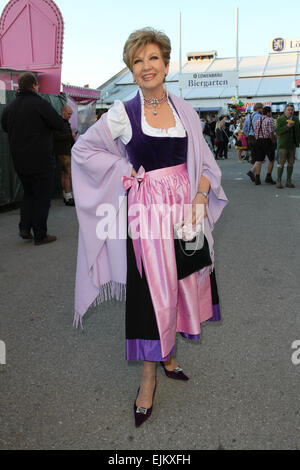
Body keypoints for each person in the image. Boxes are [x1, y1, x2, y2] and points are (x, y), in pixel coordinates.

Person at [71, 28, 228, 427]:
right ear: (131, 68)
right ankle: (147, 379)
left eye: (153, 58)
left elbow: (208, 164)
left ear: (166, 64)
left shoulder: (185, 111)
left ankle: (170, 354)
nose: (146, 67)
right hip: (147, 216)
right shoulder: (123, 113)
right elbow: (83, 149)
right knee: (150, 292)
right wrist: (125, 169)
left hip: (185, 212)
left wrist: (198, 198)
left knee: (183, 281)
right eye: (138, 61)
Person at [1, 72, 64, 245]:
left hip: (20, 161)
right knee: (42, 197)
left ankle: (24, 227)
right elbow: (58, 124)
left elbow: (5, 126)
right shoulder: (40, 104)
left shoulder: (10, 107)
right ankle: (40, 234)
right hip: (41, 160)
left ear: (20, 87)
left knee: (28, 193)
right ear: (35, 85)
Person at [53, 105, 76, 206]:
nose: (70, 115)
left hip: (64, 151)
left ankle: (66, 196)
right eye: (69, 113)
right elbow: (56, 136)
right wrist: (70, 136)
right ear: (63, 111)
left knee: (65, 174)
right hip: (64, 152)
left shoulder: (62, 122)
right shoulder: (60, 123)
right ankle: (68, 197)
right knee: (68, 175)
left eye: (71, 113)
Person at [275, 104, 300, 188]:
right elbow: (277, 131)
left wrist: (298, 142)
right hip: (283, 145)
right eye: (288, 110)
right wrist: (287, 126)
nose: (290, 112)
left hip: (292, 145)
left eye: (292, 110)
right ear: (285, 110)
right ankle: (278, 181)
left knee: (291, 163)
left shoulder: (296, 119)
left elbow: (298, 132)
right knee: (281, 163)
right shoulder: (280, 119)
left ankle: (288, 181)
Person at [249, 106, 276, 185]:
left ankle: (257, 178)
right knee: (271, 159)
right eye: (270, 112)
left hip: (258, 141)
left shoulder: (257, 120)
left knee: (259, 160)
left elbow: (255, 131)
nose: (271, 113)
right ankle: (268, 177)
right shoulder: (269, 120)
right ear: (268, 112)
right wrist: (273, 141)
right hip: (266, 141)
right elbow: (271, 132)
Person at [243, 103, 264, 180]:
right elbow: (262, 128)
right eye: (262, 108)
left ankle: (253, 175)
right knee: (260, 157)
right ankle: (253, 173)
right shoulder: (260, 116)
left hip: (250, 137)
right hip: (257, 137)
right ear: (258, 108)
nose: (263, 110)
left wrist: (248, 135)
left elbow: (244, 129)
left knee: (253, 157)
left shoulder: (248, 116)